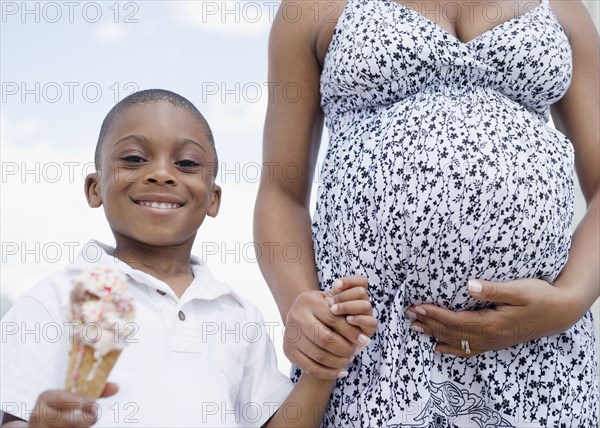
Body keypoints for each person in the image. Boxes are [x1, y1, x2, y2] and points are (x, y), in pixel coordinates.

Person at [255, 0, 599, 426]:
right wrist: (300, 306)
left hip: (540, 358)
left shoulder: (563, 9)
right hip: (375, 353)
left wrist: (571, 301)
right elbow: (280, 192)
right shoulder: (313, 8)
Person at [0, 89, 378, 427]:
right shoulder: (52, 301)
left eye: (186, 164)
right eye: (134, 158)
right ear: (94, 187)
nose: (162, 174)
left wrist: (325, 362)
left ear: (213, 199)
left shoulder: (237, 317)